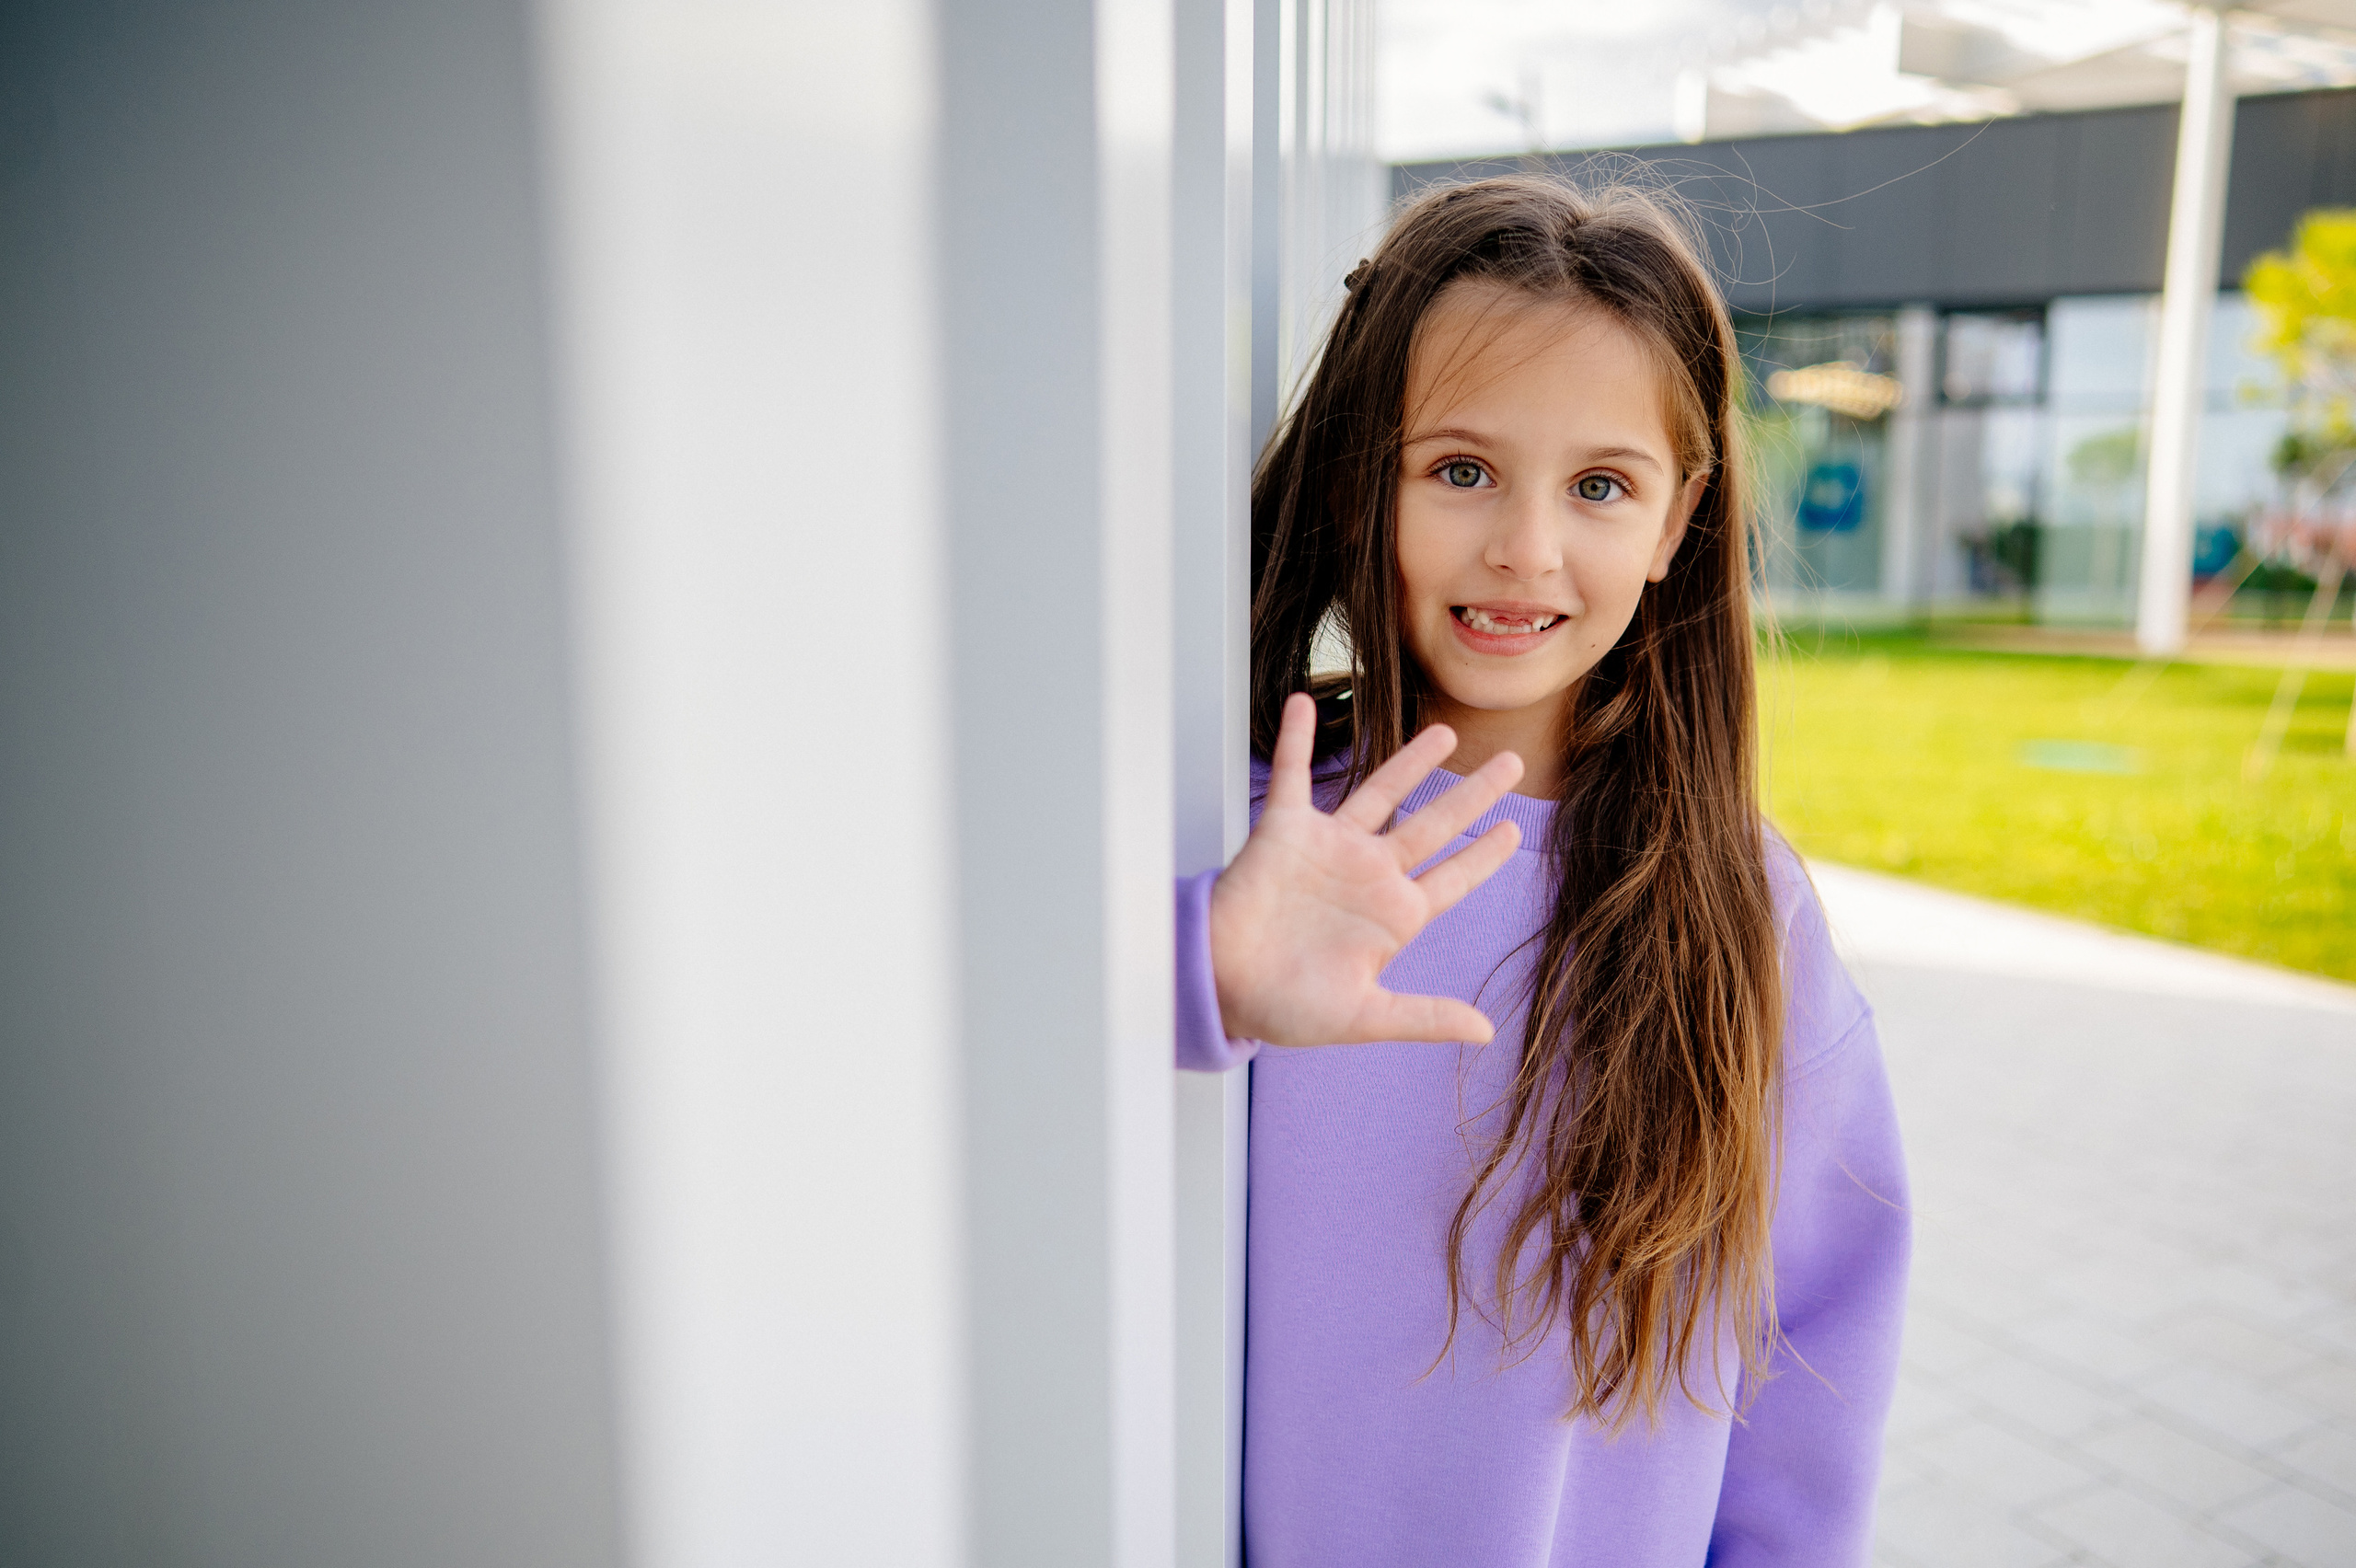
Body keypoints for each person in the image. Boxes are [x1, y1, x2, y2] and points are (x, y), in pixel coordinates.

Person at [1172, 176, 1910, 1566]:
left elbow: (1814, 1349)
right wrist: (1201, 968)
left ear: (1680, 515)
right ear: (1359, 474)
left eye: (1599, 486)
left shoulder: (1743, 914)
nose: (1526, 548)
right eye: (1459, 469)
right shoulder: (1241, 840)